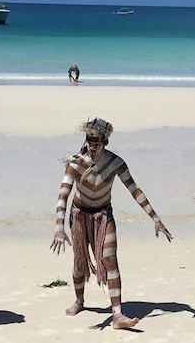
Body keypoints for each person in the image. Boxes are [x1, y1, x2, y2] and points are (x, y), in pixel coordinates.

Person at [50, 117, 173, 329]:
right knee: (80, 263)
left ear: (106, 142)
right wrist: (60, 227)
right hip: (79, 215)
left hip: (104, 214)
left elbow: (135, 190)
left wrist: (156, 219)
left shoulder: (116, 162)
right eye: (91, 140)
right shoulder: (76, 163)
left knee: (110, 259)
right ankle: (80, 301)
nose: (94, 145)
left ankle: (117, 315)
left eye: (98, 141)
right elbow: (63, 195)